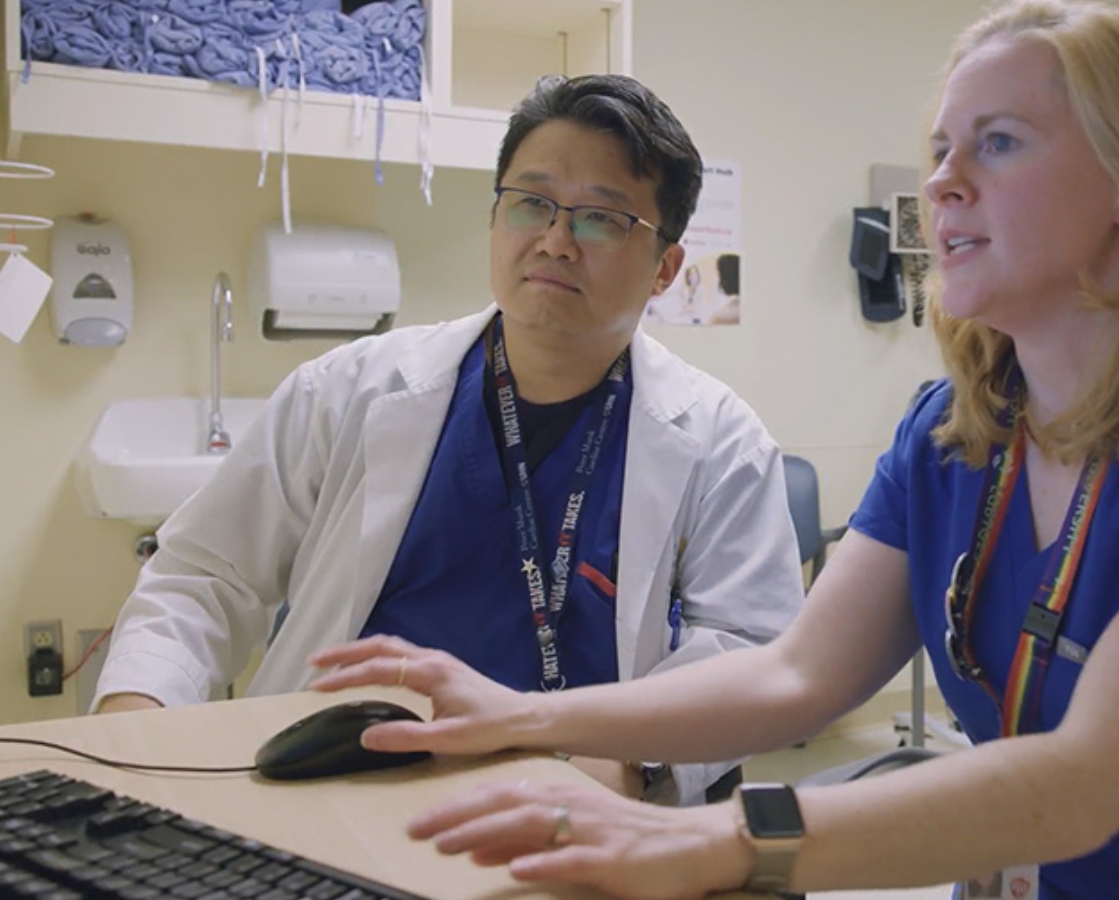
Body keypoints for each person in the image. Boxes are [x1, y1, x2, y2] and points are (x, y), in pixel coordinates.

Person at [309, 2, 1119, 897]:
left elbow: (1091, 781)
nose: (942, 180)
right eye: (941, 147)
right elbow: (799, 676)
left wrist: (725, 841)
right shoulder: (952, 432)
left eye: (997, 144)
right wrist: (521, 715)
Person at [92, 74, 805, 806]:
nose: (556, 242)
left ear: (664, 268)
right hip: (333, 785)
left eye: (600, 218)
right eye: (531, 203)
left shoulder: (721, 444)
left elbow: (749, 647)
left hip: (571, 808)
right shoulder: (345, 390)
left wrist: (634, 764)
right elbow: (206, 576)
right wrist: (134, 717)